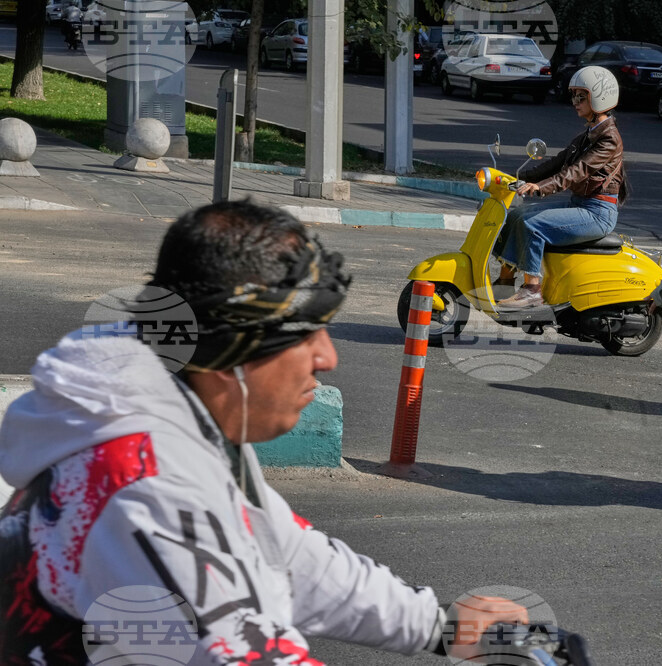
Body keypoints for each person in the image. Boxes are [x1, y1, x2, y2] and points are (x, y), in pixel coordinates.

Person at [0, 201, 528, 662]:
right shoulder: (142, 486)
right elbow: (243, 652)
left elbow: (290, 557)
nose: (327, 356)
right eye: (304, 334)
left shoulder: (184, 416)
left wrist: (443, 629)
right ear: (229, 351)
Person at [492, 65, 627, 308]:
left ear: (599, 97)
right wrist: (514, 176)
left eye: (581, 96)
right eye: (573, 95)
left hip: (597, 213)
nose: (575, 101)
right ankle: (503, 283)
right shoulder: (590, 133)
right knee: (516, 215)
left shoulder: (608, 139)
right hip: (581, 205)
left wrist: (540, 188)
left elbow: (576, 172)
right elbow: (557, 163)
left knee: (533, 225)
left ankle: (532, 290)